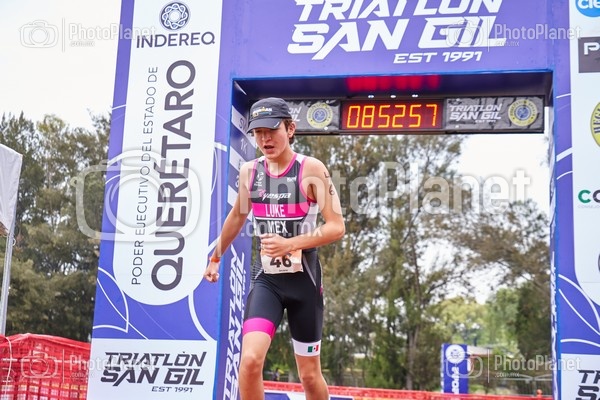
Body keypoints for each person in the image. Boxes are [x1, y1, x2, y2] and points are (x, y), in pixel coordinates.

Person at [204, 97, 345, 400]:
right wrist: (215, 257)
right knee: (250, 361)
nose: (265, 139)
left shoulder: (311, 169)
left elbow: (336, 227)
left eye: (271, 130)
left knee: (309, 375)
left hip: (305, 281)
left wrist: (289, 244)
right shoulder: (249, 171)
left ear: (290, 129)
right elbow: (237, 216)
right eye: (258, 132)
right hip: (267, 280)